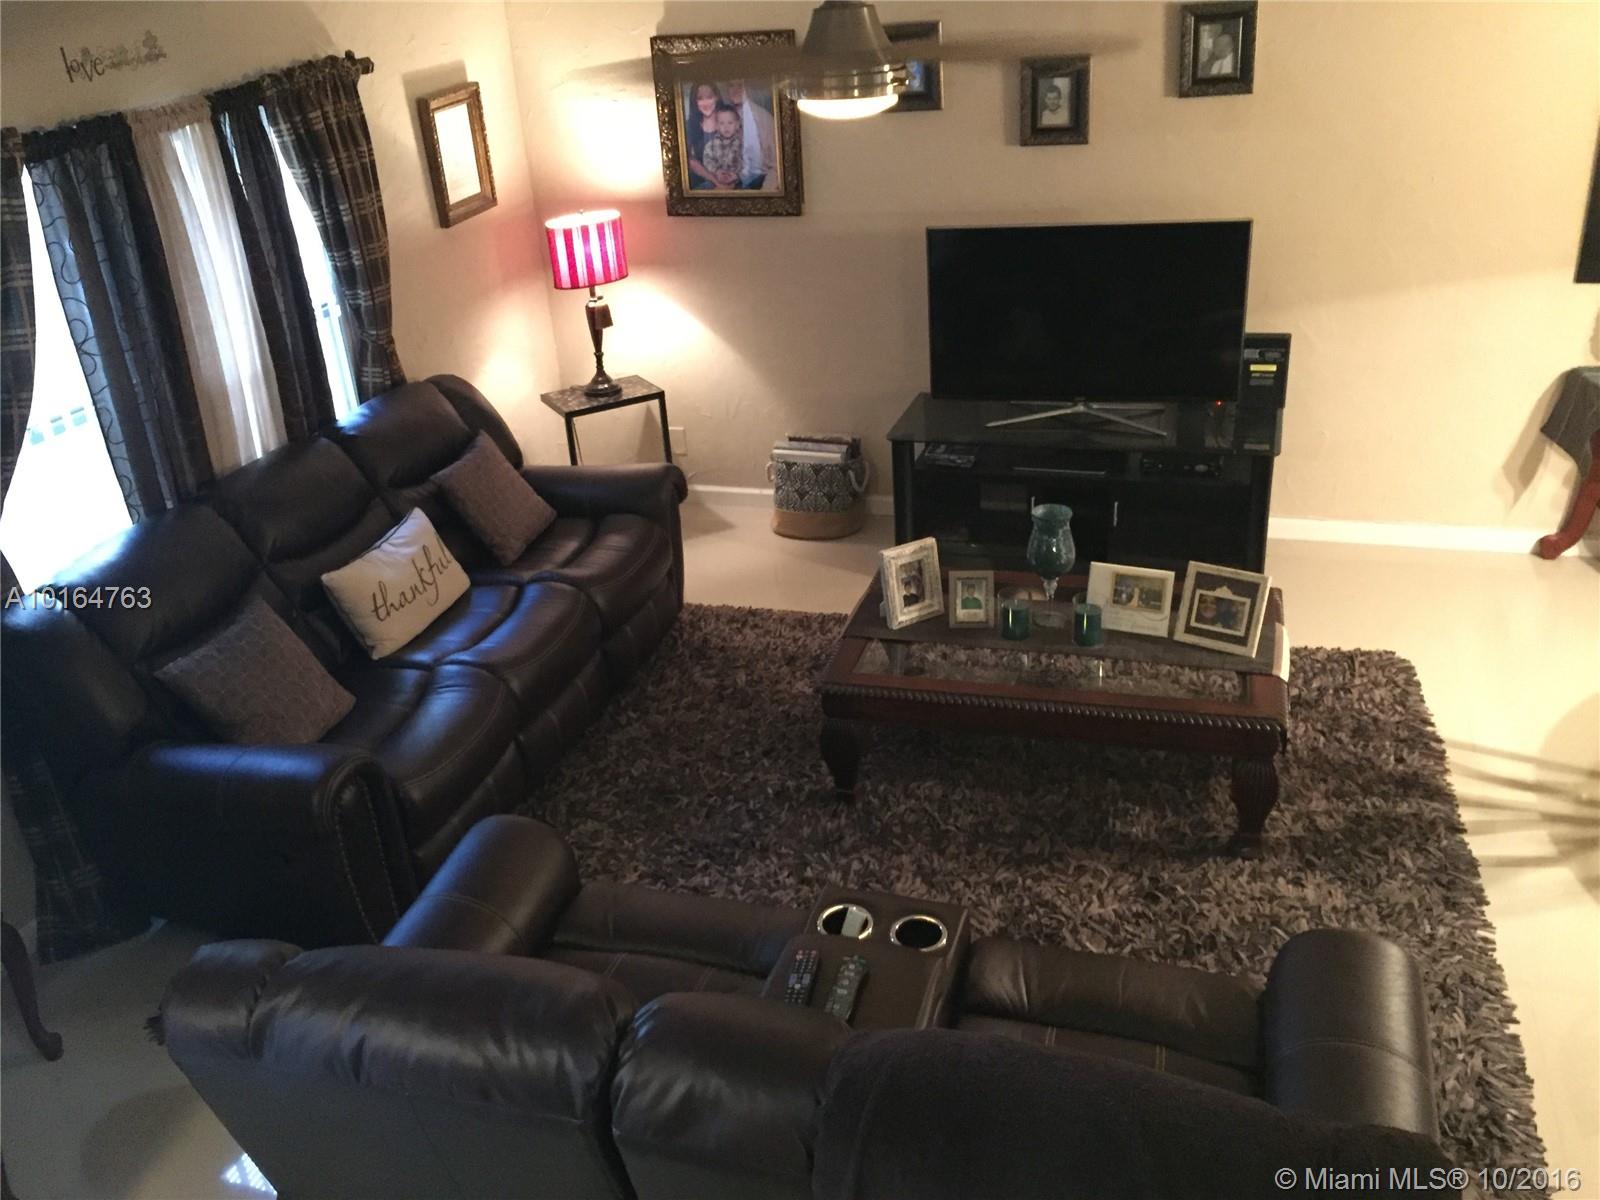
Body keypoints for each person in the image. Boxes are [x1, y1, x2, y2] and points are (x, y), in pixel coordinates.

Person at [721, 79, 776, 189]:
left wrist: (765, 192)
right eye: (731, 85)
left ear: (747, 88)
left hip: (760, 180)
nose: (735, 90)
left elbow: (776, 164)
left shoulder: (763, 118)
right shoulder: (722, 116)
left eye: (740, 86)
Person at [684, 83, 726, 190]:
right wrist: (716, 182)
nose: (705, 103)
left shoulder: (729, 119)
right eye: (700, 98)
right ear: (695, 102)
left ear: (717, 98)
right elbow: (690, 160)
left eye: (709, 97)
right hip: (703, 180)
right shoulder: (690, 125)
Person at [699, 104, 743, 189]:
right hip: (716, 179)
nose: (726, 127)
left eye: (730, 123)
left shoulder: (742, 144)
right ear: (717, 126)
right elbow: (707, 160)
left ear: (737, 125)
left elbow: (747, 162)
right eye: (722, 123)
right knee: (704, 187)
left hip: (736, 180)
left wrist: (737, 175)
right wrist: (716, 171)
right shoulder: (711, 144)